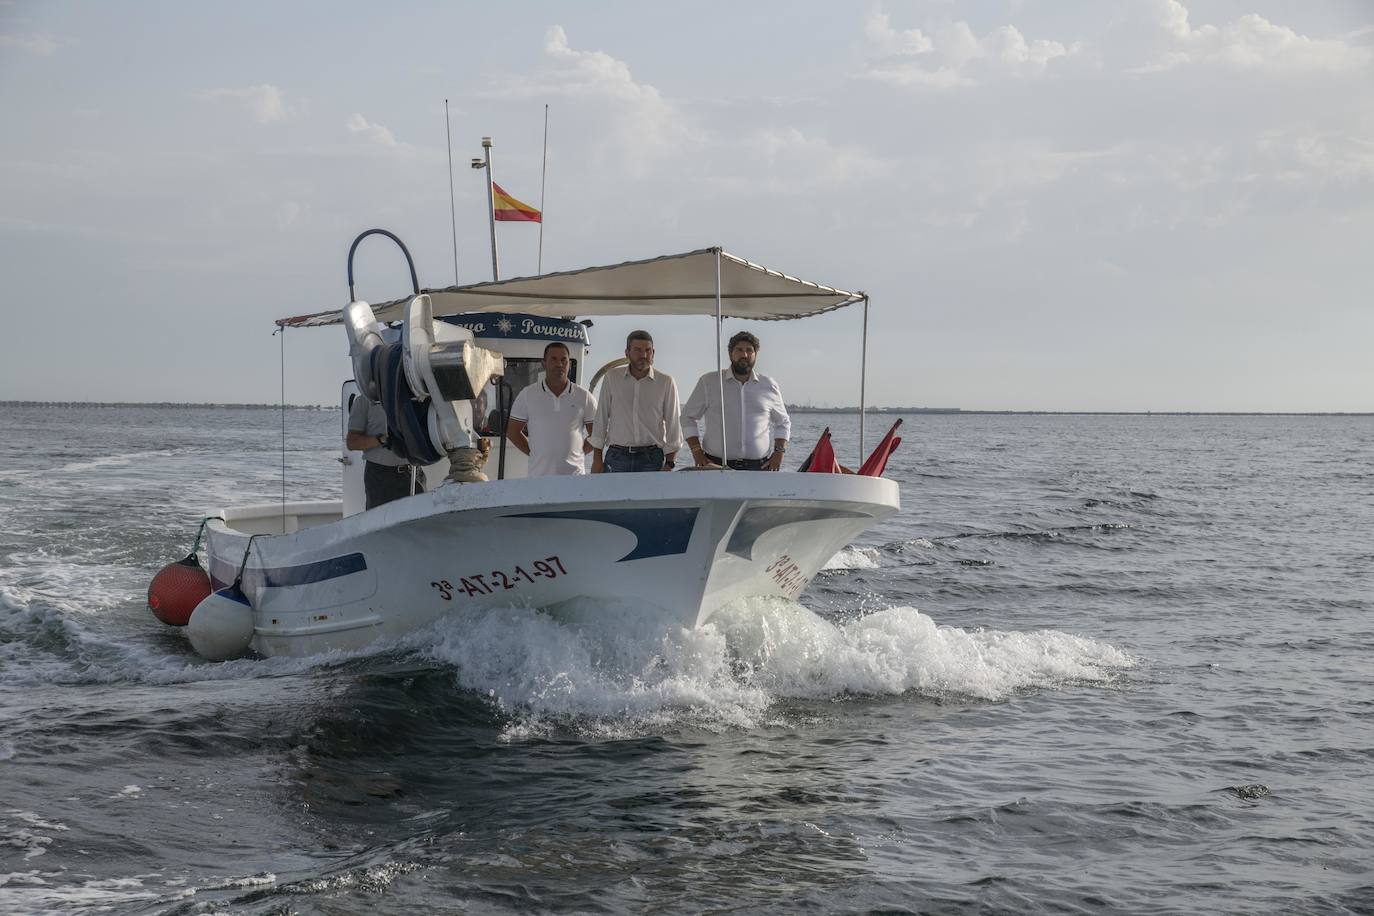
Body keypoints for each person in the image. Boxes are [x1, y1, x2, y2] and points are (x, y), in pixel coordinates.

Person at [682, 330, 790, 471]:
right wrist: (696, 451)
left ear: (755, 354)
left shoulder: (768, 385)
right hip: (715, 465)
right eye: (739, 350)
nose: (744, 355)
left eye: (749, 350)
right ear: (730, 354)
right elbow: (687, 417)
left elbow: (783, 422)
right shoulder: (709, 382)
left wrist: (779, 453)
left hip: (758, 467)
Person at [589, 330, 683, 473]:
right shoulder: (611, 378)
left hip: (652, 458)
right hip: (617, 457)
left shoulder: (666, 382)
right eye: (638, 350)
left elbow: (674, 426)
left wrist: (669, 464)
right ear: (627, 353)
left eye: (648, 350)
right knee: (613, 496)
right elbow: (601, 419)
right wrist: (597, 460)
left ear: (653, 353)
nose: (644, 355)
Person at [507, 342, 597, 476]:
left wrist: (580, 452)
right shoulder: (528, 394)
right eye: (553, 359)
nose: (559, 364)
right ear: (544, 363)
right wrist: (533, 452)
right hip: (538, 477)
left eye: (563, 360)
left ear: (569, 364)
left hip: (575, 478)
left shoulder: (584, 397)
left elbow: (597, 434)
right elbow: (512, 432)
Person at [346, 394, 425, 509]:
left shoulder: (417, 395)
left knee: (419, 521)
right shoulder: (364, 400)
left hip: (414, 472)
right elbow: (352, 442)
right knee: (378, 522)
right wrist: (382, 439)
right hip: (380, 475)